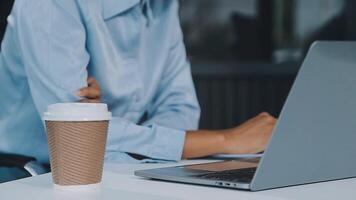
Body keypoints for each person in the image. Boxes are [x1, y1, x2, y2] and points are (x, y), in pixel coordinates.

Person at [0, 0, 276, 166]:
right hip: (31, 174)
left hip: (125, 171)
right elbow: (76, 136)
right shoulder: (51, 4)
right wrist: (224, 140)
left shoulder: (163, 6)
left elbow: (180, 107)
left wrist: (121, 139)